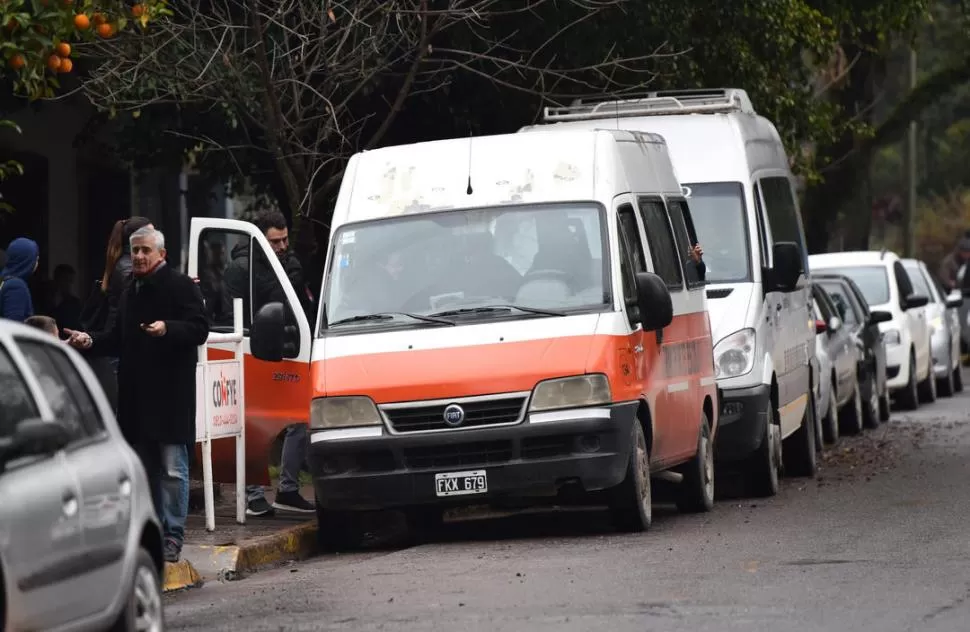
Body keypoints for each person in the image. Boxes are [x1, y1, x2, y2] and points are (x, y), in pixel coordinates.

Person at [66, 226, 208, 563]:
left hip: (171, 396)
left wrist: (167, 328)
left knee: (173, 469)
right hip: (136, 398)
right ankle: (154, 532)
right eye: (135, 251)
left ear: (162, 253)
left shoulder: (181, 286)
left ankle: (173, 535)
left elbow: (199, 329)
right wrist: (90, 340)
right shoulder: (129, 292)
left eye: (146, 250)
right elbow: (117, 337)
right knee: (143, 469)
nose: (140, 257)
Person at [225, 210, 315, 516]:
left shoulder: (290, 263)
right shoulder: (242, 268)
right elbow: (233, 313)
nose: (281, 246)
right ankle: (252, 494)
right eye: (275, 241)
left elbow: (301, 304)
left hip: (290, 346)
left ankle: (288, 489)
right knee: (255, 422)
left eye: (285, 239)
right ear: (260, 239)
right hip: (256, 348)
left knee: (299, 419)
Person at [78, 217, 154, 410]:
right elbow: (141, 298)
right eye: (151, 233)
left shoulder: (127, 263)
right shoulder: (128, 267)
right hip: (118, 349)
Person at [0, 237, 40, 322]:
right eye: (35, 259)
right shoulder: (16, 286)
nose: (37, 263)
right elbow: (14, 326)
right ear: (27, 261)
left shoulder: (4, 281)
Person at [49, 263, 82, 333]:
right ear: (57, 280)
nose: (69, 285)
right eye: (66, 280)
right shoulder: (45, 299)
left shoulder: (75, 303)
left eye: (71, 281)